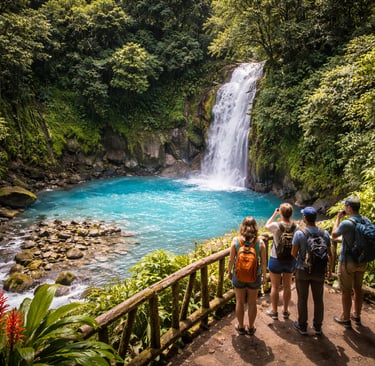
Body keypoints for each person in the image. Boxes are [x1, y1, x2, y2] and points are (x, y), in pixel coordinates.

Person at [291, 207, 332, 336]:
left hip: (302, 270)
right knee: (318, 299)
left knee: (302, 298)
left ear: (305, 218)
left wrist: (302, 261)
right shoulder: (325, 233)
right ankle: (318, 327)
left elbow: (293, 253)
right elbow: (330, 254)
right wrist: (330, 270)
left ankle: (302, 326)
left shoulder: (299, 233)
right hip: (319, 270)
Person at [227, 216, 267, 336]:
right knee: (252, 303)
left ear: (242, 227)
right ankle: (250, 327)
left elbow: (231, 260)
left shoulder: (236, 241)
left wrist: (229, 272)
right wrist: (264, 276)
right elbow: (264, 262)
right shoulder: (260, 243)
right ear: (255, 227)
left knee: (239, 302)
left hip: (238, 276)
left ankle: (240, 327)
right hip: (255, 276)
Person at [331, 197, 368, 328]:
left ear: (349, 208)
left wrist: (338, 218)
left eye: (346, 206)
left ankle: (345, 318)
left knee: (346, 291)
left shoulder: (347, 223)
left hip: (348, 261)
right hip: (362, 260)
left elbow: (334, 235)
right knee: (358, 289)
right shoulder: (365, 220)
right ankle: (357, 315)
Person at [265, 203, 297, 320]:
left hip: (276, 258)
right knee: (287, 286)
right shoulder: (295, 227)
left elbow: (266, 225)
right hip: (290, 259)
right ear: (291, 214)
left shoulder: (276, 225)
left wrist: (274, 214)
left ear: (281, 213)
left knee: (275, 286)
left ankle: (274, 311)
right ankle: (285, 310)